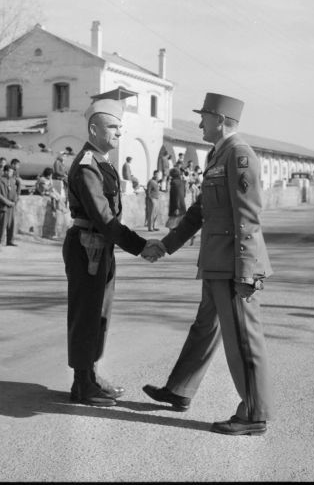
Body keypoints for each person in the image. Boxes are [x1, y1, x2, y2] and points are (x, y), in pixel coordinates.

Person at [142, 92, 274, 436]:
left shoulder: (239, 154)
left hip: (234, 265)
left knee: (244, 338)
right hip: (216, 263)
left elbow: (248, 214)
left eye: (204, 117)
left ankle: (254, 414)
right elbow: (200, 211)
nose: (200, 123)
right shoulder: (218, 154)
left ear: (219, 119)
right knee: (205, 327)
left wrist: (246, 269)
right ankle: (180, 389)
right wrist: (165, 245)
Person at [63, 98, 164, 407]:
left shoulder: (101, 162)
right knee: (86, 314)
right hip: (88, 245)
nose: (119, 132)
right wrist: (140, 246)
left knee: (100, 313)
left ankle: (91, 375)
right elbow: (104, 218)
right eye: (112, 127)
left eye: (120, 127)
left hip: (99, 246)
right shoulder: (87, 166)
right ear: (93, 129)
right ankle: (82, 383)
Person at [0, 164, 18, 247]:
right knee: (2, 224)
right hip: (4, 206)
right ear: (5, 171)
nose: (11, 173)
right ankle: (0, 241)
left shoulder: (12, 181)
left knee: (11, 224)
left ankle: (10, 240)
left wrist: (15, 201)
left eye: (12, 172)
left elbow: (15, 192)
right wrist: (8, 202)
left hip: (11, 206)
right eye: (10, 171)